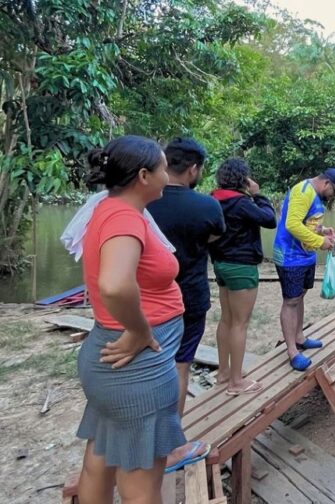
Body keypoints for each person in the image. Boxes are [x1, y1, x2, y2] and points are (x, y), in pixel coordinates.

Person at [75, 135, 206, 503]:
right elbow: (115, 285)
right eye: (164, 169)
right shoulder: (123, 219)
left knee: (98, 465)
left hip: (111, 363)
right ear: (144, 176)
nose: (170, 175)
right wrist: (139, 329)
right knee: (141, 489)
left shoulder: (109, 208)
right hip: (137, 371)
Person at [147, 138, 224, 417]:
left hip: (146, 301)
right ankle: (172, 434)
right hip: (190, 296)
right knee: (181, 364)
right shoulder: (208, 206)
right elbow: (213, 236)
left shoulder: (142, 202)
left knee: (147, 364)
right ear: (193, 169)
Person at [210, 159, 276, 395]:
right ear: (244, 179)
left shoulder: (213, 199)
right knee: (240, 323)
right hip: (241, 266)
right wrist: (259, 195)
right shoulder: (241, 203)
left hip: (220, 265)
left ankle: (224, 371)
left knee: (226, 319)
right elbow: (269, 220)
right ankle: (236, 383)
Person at [273, 168, 335, 370]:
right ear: (327, 184)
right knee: (291, 300)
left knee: (300, 296)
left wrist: (323, 230)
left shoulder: (314, 195)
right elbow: (292, 225)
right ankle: (292, 351)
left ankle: (300, 337)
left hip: (305, 255)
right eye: (334, 192)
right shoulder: (302, 191)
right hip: (290, 256)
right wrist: (319, 241)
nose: (333, 196)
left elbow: (307, 223)